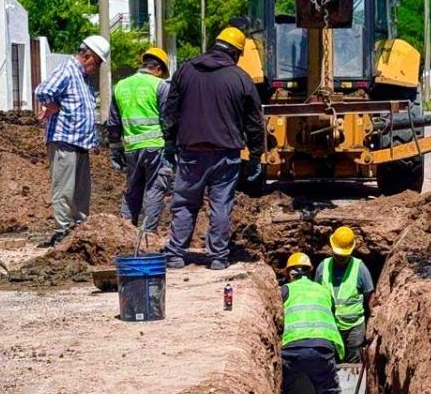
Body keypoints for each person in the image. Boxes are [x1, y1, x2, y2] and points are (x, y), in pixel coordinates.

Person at [161, 27, 265, 270]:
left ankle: (176, 253)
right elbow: (254, 123)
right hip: (225, 153)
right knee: (221, 204)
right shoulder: (240, 78)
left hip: (190, 150)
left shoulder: (186, 70)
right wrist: (255, 158)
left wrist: (169, 142)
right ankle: (218, 257)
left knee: (185, 202)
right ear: (237, 53)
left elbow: (171, 112)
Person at [34, 35, 107, 247]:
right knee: (64, 189)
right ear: (87, 56)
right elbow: (43, 90)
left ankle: (78, 229)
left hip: (80, 142)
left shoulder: (82, 76)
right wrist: (52, 105)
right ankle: (63, 229)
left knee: (81, 190)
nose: (98, 67)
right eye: (98, 61)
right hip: (64, 140)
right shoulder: (68, 70)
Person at [106, 46, 172, 233]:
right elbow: (168, 121)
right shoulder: (160, 86)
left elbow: (113, 123)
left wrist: (115, 150)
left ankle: (125, 232)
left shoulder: (121, 86)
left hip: (131, 149)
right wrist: (172, 148)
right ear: (158, 69)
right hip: (155, 147)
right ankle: (148, 236)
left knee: (132, 190)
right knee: (155, 189)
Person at [280, 252, 345, 394]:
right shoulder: (323, 290)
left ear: (290, 273)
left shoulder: (285, 290)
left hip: (291, 349)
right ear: (309, 272)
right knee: (330, 392)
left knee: (284, 391)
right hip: (321, 347)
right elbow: (331, 312)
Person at [315, 226, 374, 363]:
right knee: (329, 363)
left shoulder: (360, 268)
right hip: (329, 326)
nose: (341, 258)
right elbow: (315, 296)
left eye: (344, 255)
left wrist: (372, 322)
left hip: (354, 327)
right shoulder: (323, 268)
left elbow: (370, 298)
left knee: (354, 364)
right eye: (338, 254)